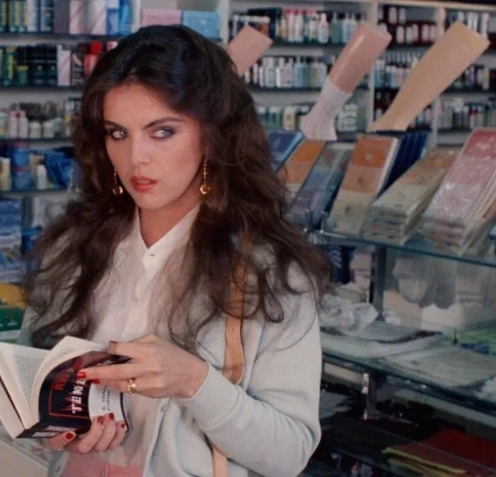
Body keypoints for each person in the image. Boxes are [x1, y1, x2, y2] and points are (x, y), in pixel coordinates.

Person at [18, 24, 329, 477]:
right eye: (118, 133)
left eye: (162, 131)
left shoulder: (270, 272)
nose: (136, 158)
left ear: (212, 135)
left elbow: (290, 453)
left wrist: (194, 382)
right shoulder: (74, 246)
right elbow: (32, 385)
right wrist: (58, 429)